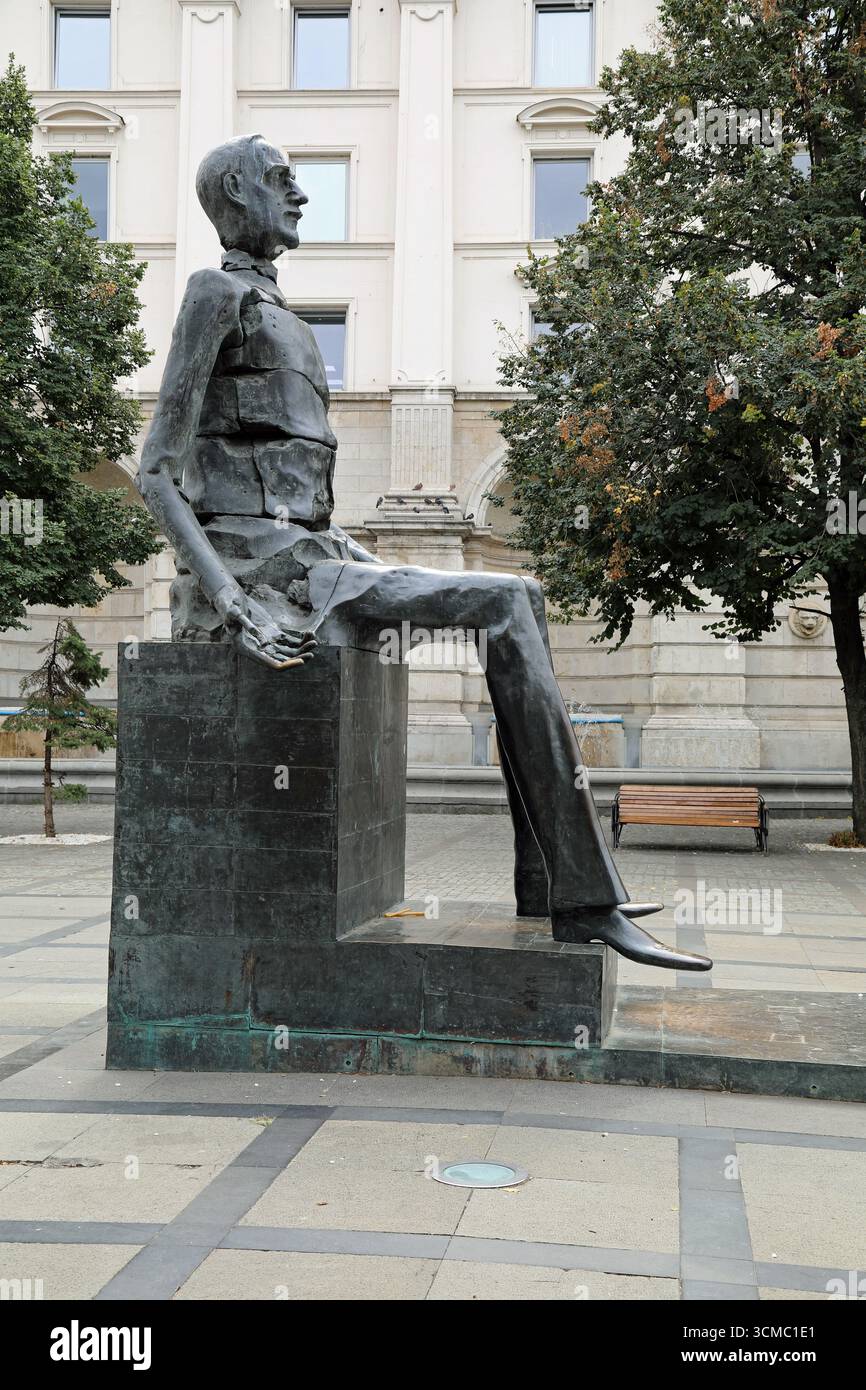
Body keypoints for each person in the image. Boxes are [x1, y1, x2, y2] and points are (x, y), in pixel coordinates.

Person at [136, 134, 711, 972]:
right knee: (506, 600)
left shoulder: (286, 315)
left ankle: (551, 882)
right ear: (235, 193)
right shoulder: (211, 294)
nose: (299, 197)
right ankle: (582, 899)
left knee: (525, 598)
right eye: (281, 183)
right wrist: (231, 600)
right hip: (265, 569)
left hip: (315, 553)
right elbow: (156, 472)